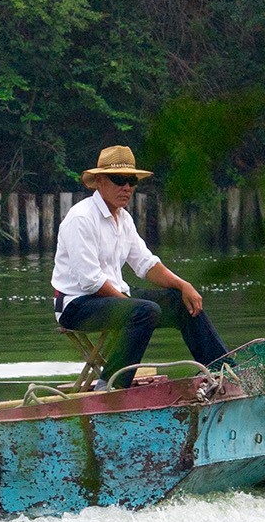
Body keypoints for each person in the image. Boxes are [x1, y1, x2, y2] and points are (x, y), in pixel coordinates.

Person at [51, 146, 226, 384]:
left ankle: (222, 369)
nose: (126, 188)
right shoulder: (81, 218)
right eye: (118, 179)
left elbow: (146, 264)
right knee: (144, 311)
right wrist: (130, 306)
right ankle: (111, 386)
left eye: (131, 181)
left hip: (110, 299)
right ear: (100, 181)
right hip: (76, 305)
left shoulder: (123, 218)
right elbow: (90, 281)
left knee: (180, 301)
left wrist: (184, 285)